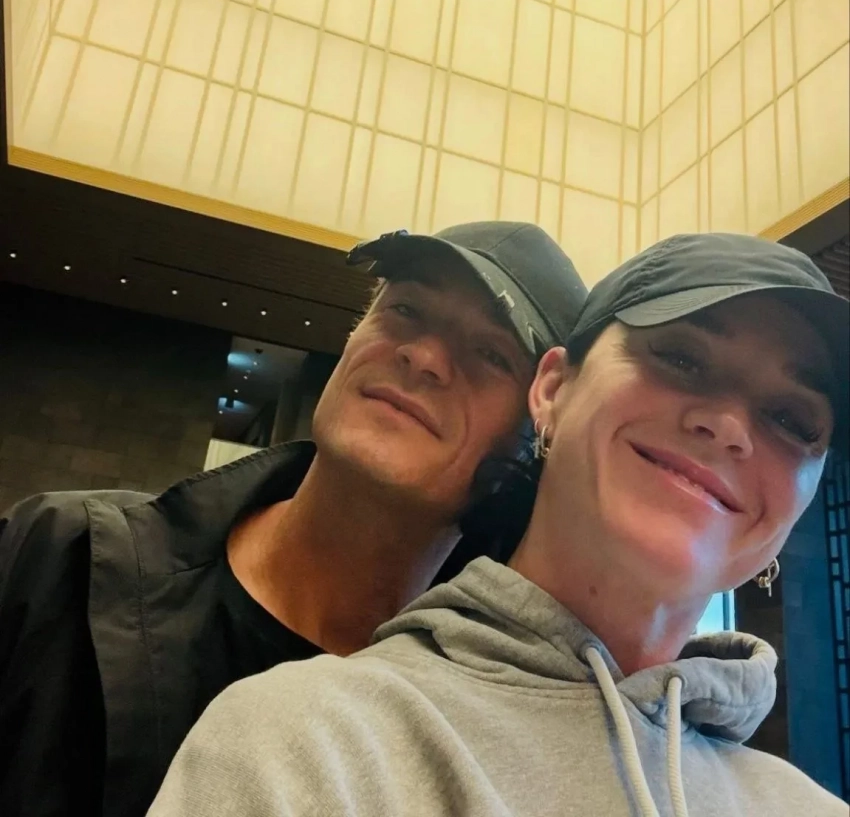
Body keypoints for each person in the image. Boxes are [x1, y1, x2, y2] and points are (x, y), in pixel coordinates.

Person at [148, 232, 848, 817]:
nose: (728, 426)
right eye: (682, 357)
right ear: (554, 388)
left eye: (793, 419)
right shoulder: (311, 745)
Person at [0, 221, 588, 817]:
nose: (424, 356)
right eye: (406, 309)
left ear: (531, 441)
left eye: (491, 354)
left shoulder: (481, 735)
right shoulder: (58, 555)